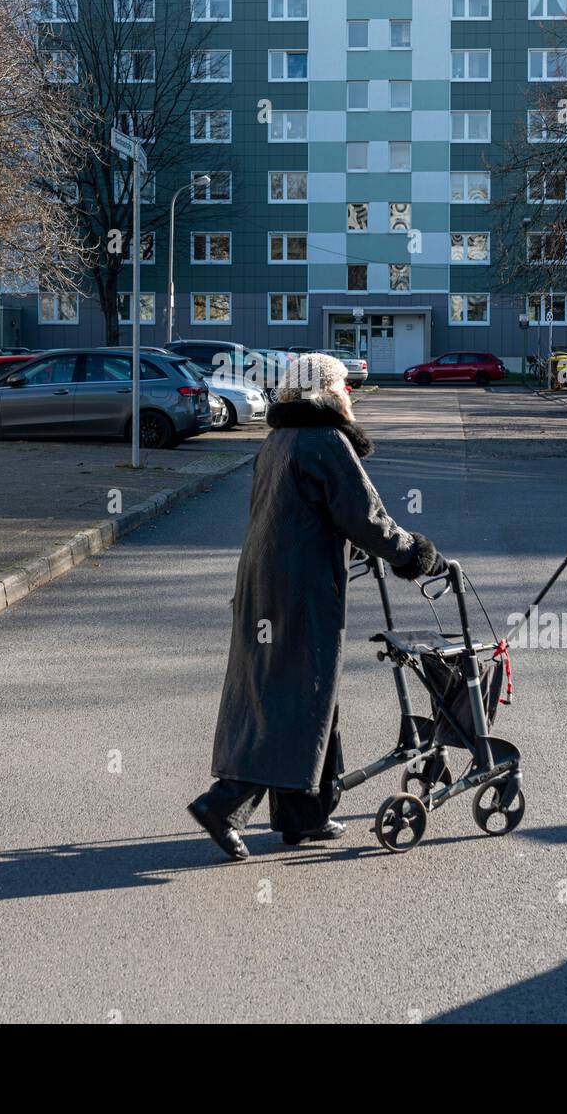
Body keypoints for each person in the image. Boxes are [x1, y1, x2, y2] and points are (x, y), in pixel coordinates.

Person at [188, 353, 447, 861]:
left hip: (263, 584)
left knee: (308, 693)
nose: (350, 394)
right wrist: (412, 555)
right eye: (344, 385)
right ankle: (223, 804)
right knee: (292, 698)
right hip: (299, 592)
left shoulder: (278, 440)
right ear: (326, 392)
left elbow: (294, 515)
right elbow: (365, 515)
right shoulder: (325, 441)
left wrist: (344, 549)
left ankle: (307, 816)